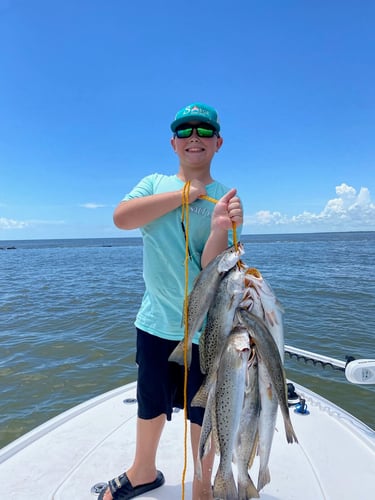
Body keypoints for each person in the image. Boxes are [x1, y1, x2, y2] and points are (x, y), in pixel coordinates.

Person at [99, 102, 243, 500]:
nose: (193, 137)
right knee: (150, 403)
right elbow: (123, 218)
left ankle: (202, 484)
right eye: (184, 131)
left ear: (218, 142)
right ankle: (143, 470)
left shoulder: (225, 200)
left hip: (207, 330)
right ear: (173, 143)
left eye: (203, 131)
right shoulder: (152, 183)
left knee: (204, 411)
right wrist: (184, 194)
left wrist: (219, 226)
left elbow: (214, 269)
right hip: (155, 322)